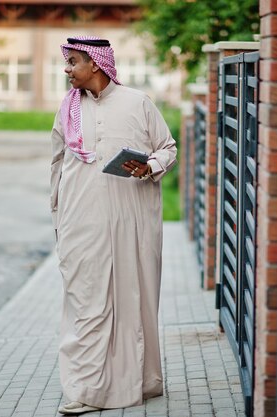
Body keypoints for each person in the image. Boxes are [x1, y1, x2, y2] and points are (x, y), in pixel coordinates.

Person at [49, 35, 177, 415]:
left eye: (73, 62)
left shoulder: (138, 103)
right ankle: (86, 390)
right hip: (82, 222)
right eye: (67, 62)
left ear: (96, 64)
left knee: (133, 298)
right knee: (86, 301)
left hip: (131, 222)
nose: (67, 69)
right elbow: (56, 163)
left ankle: (142, 381)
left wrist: (150, 166)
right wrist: (58, 212)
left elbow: (167, 147)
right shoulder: (67, 108)